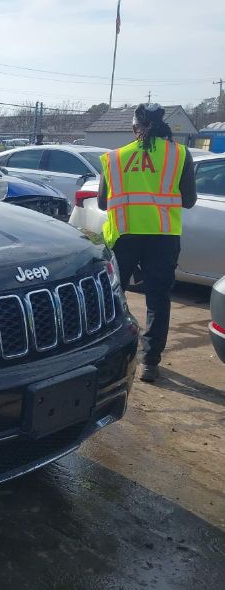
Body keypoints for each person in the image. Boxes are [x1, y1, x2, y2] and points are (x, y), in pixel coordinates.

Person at [98, 103, 196, 382]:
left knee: (115, 297)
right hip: (163, 238)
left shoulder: (115, 158)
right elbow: (188, 201)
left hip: (124, 235)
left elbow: (104, 202)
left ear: (134, 127)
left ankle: (111, 353)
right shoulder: (179, 154)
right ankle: (149, 363)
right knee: (157, 299)